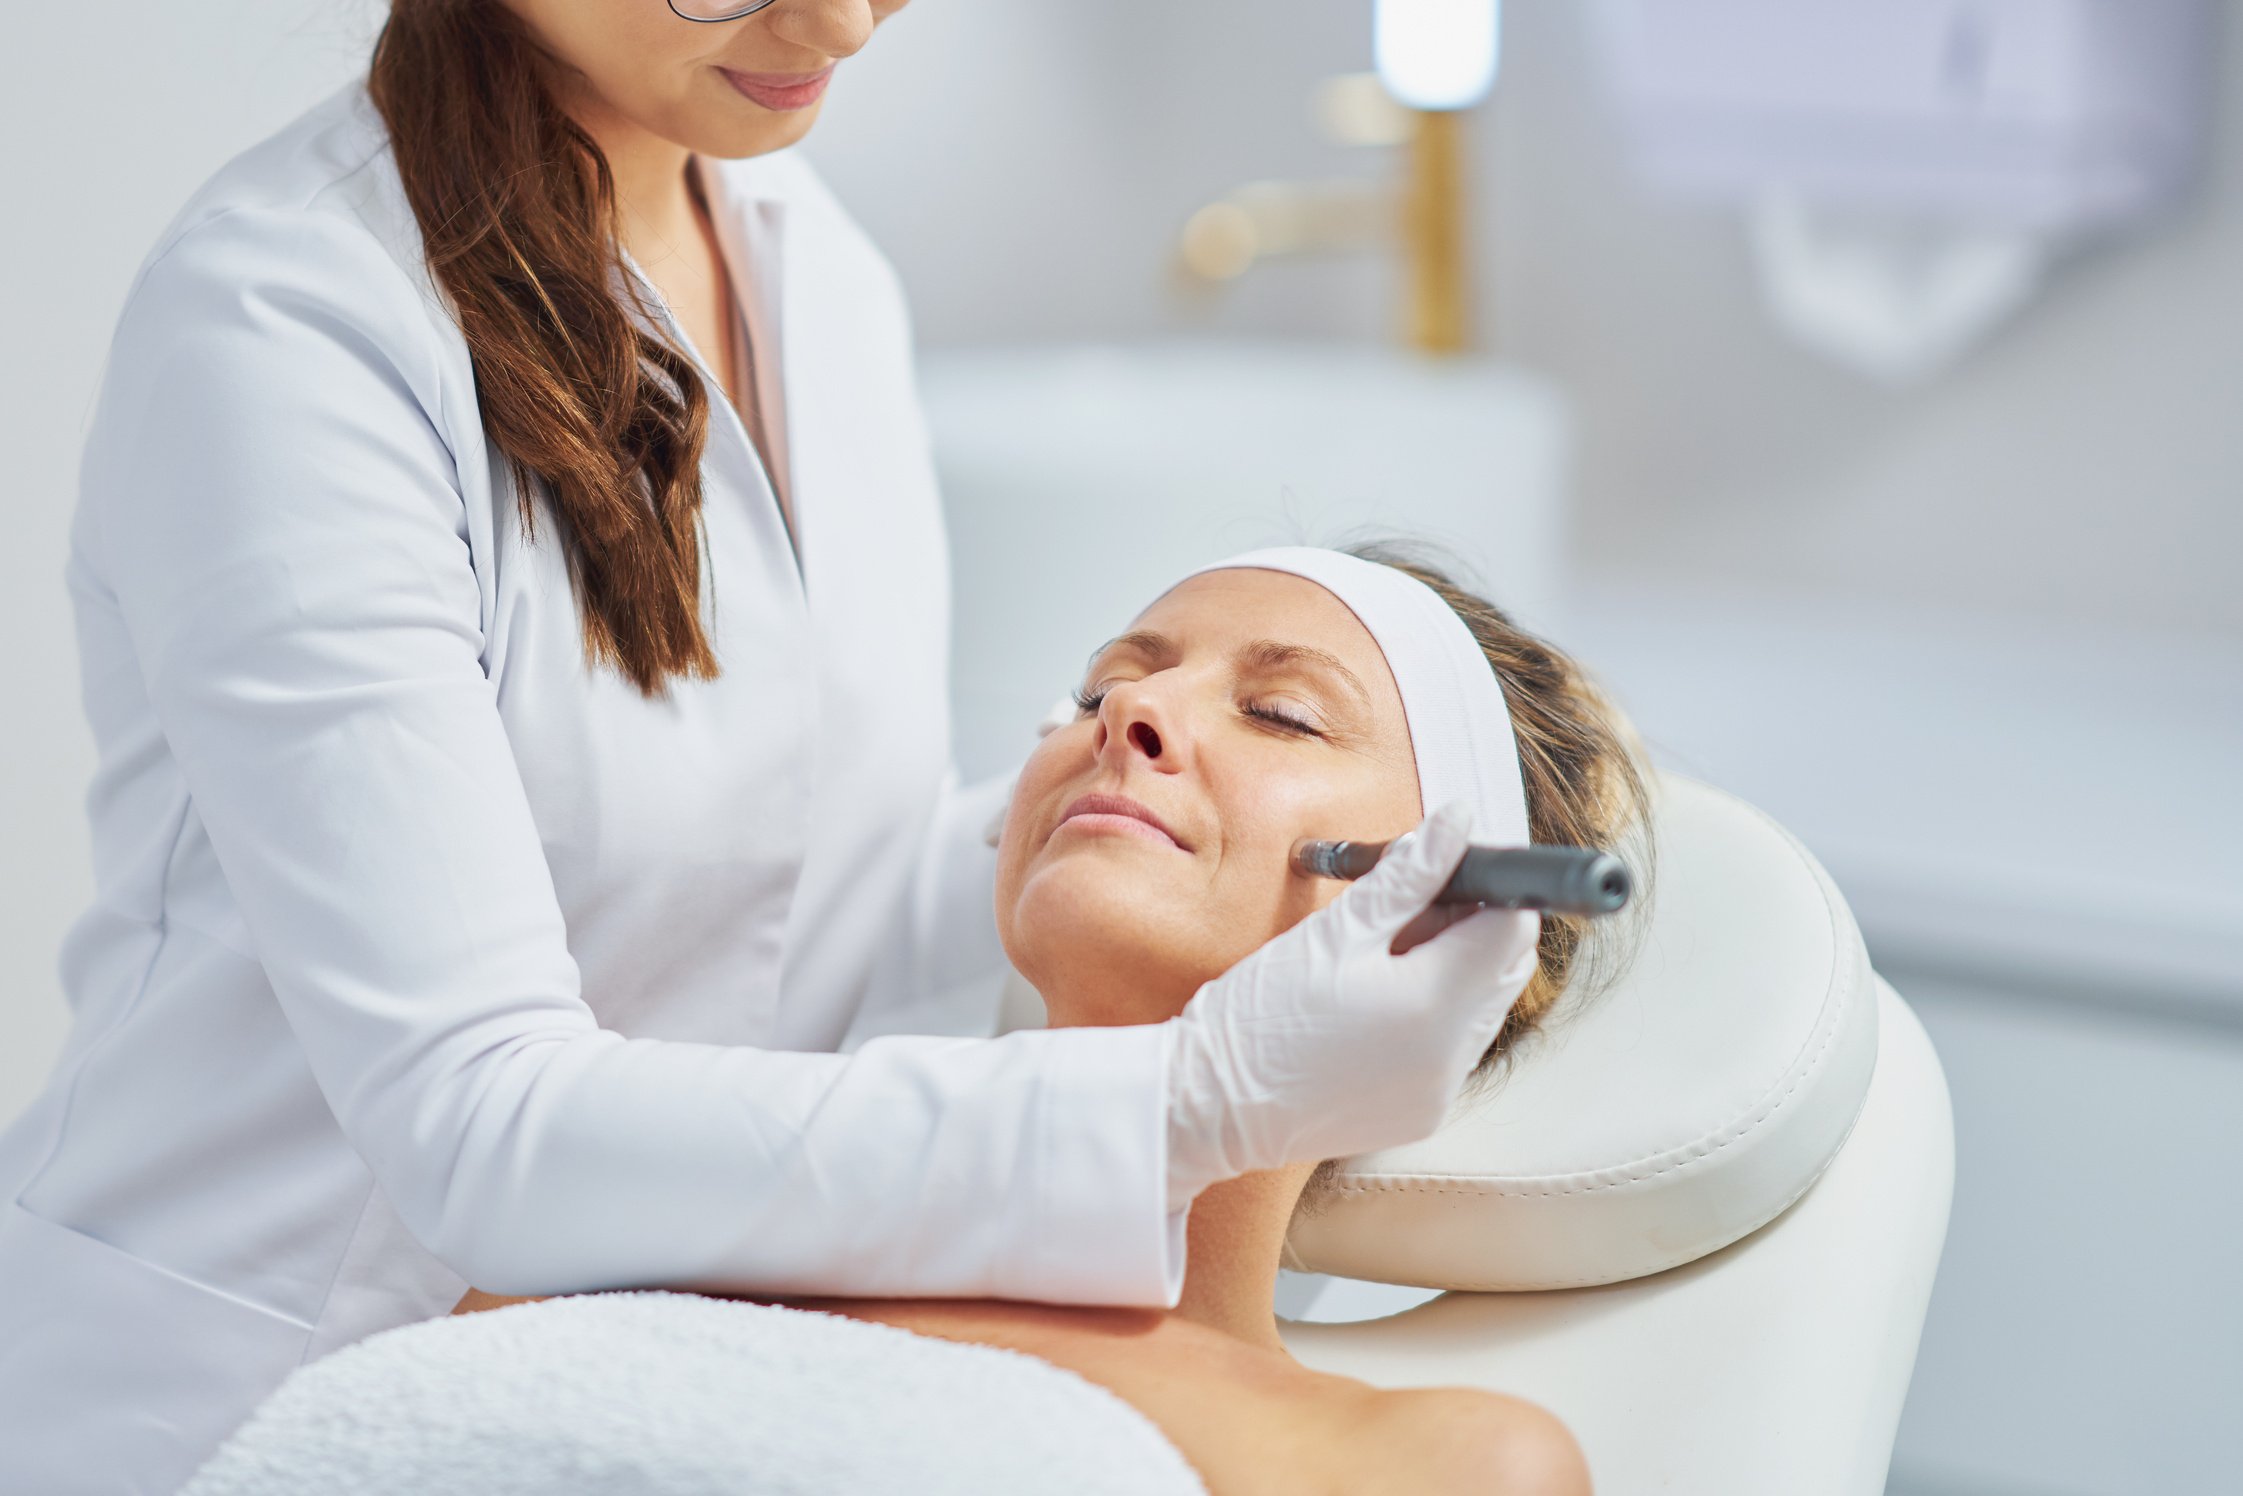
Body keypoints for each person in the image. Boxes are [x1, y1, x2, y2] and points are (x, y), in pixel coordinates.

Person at [0, 7, 1546, 1493]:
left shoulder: (829, 285)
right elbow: (482, 1124)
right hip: (236, 1399)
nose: (839, 26)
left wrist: (1097, 819)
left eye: (1275, 714)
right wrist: (1191, 1094)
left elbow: (814, 865)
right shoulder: (293, 319)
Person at [456, 543, 1655, 1495]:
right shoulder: (605, 1228)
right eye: (1098, 686)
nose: (1126, 710)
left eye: (1281, 713)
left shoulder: (1424, 1468)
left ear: (1444, 917)